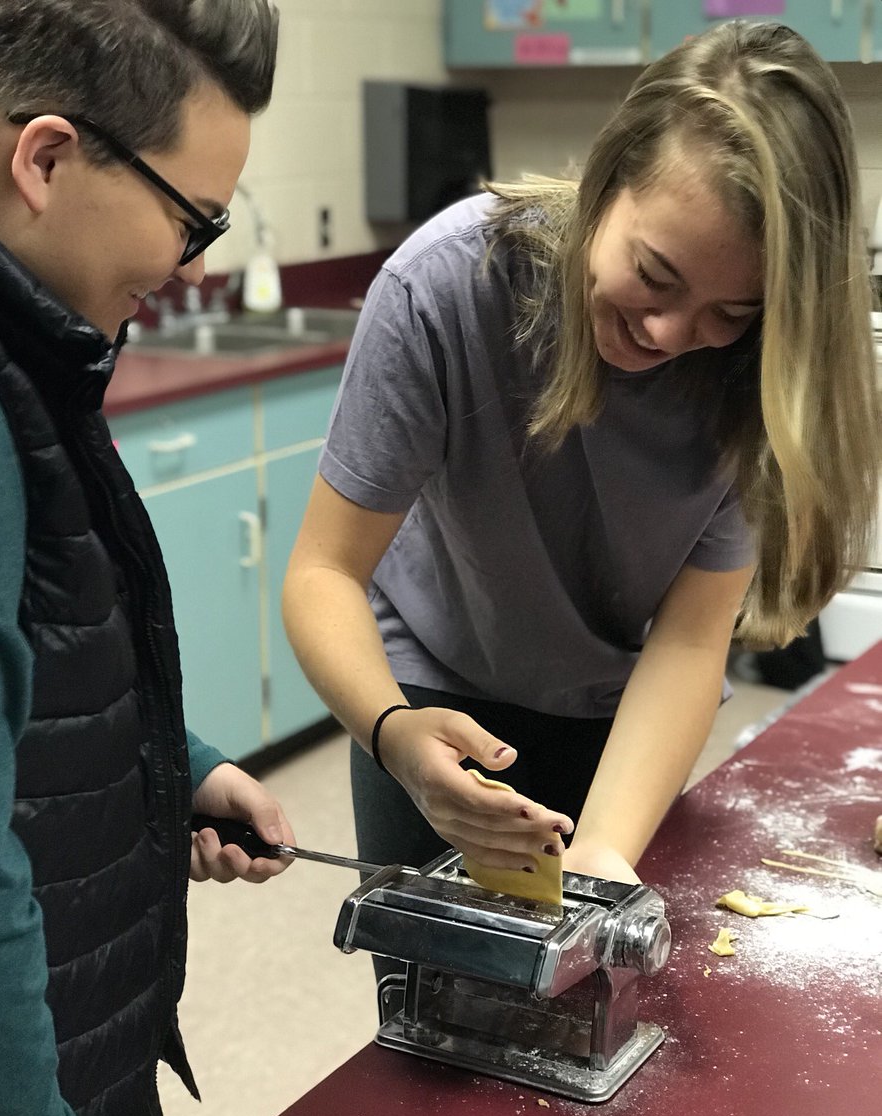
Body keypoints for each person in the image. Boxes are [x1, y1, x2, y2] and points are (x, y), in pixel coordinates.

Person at [283, 21, 880, 899]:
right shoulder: (446, 288)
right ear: (606, 180)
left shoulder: (754, 374)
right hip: (431, 693)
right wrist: (394, 733)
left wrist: (602, 855)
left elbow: (691, 637)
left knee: (604, 976)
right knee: (436, 1008)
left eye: (730, 311)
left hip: (628, 706)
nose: (672, 335)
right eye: (656, 274)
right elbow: (323, 571)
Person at [0, 2, 296, 1116]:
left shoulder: (29, 350)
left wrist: (174, 764)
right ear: (48, 158)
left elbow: (33, 666)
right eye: (192, 220)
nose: (196, 266)